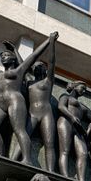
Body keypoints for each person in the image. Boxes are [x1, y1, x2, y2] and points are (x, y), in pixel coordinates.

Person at [0, 33, 57, 167]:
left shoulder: (18, 71)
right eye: (2, 56)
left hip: (14, 101)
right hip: (0, 104)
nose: (3, 57)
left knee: (19, 130)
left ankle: (27, 159)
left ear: (13, 59)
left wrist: (49, 40)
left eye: (7, 55)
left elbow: (33, 56)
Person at [25, 33, 58, 172]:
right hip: (32, 113)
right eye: (36, 65)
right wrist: (15, 50)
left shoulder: (48, 81)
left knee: (49, 143)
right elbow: (24, 64)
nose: (38, 67)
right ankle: (16, 159)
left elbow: (52, 62)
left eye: (41, 66)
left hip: (46, 113)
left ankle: (50, 170)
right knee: (23, 134)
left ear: (45, 70)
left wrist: (51, 43)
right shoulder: (29, 81)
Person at [56, 81, 90, 181]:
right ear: (75, 87)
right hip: (66, 122)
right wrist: (72, 117)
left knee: (83, 153)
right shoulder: (65, 96)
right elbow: (60, 106)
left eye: (85, 90)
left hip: (77, 129)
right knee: (65, 150)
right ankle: (65, 175)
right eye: (82, 88)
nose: (83, 91)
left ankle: (82, 179)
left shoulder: (83, 106)